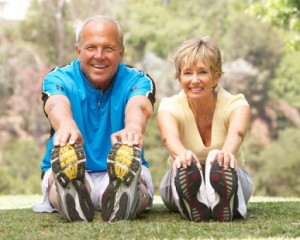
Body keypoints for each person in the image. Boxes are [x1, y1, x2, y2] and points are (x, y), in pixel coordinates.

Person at [32, 15, 156, 223]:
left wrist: (133, 127)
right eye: (91, 48)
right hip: (73, 168)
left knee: (138, 185)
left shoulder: (138, 80)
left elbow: (139, 106)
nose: (99, 56)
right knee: (59, 182)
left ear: (121, 53)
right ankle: (70, 190)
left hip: (122, 169)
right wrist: (66, 125)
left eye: (108, 48)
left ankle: (126, 193)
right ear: (78, 51)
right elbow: (55, 104)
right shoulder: (58, 77)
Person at [158, 36, 253, 222]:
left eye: (202, 72)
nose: (195, 80)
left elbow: (237, 132)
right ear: (179, 76)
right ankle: (195, 198)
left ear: (216, 76)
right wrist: (182, 154)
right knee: (183, 166)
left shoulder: (236, 104)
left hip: (232, 173)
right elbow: (169, 138)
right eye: (187, 73)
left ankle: (223, 195)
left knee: (215, 159)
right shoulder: (169, 106)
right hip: (180, 174)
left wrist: (224, 155)